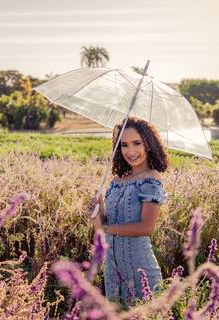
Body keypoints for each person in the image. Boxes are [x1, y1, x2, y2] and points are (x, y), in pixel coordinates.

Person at [87, 116, 169, 305]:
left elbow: (145, 228)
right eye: (124, 145)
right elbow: (104, 228)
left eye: (136, 143)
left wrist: (107, 228)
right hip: (113, 270)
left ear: (148, 144)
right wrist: (97, 214)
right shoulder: (116, 181)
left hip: (141, 271)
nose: (130, 151)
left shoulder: (151, 180)